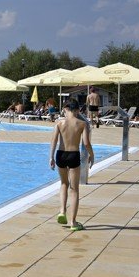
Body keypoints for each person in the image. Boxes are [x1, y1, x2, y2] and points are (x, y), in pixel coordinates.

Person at [50, 99, 94, 231]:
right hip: (73, 155)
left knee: (64, 184)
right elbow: (86, 143)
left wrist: (51, 157)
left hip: (60, 155)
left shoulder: (59, 123)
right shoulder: (82, 124)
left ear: (65, 109)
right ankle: (73, 223)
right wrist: (92, 155)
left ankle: (62, 211)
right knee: (74, 189)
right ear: (77, 110)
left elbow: (54, 141)